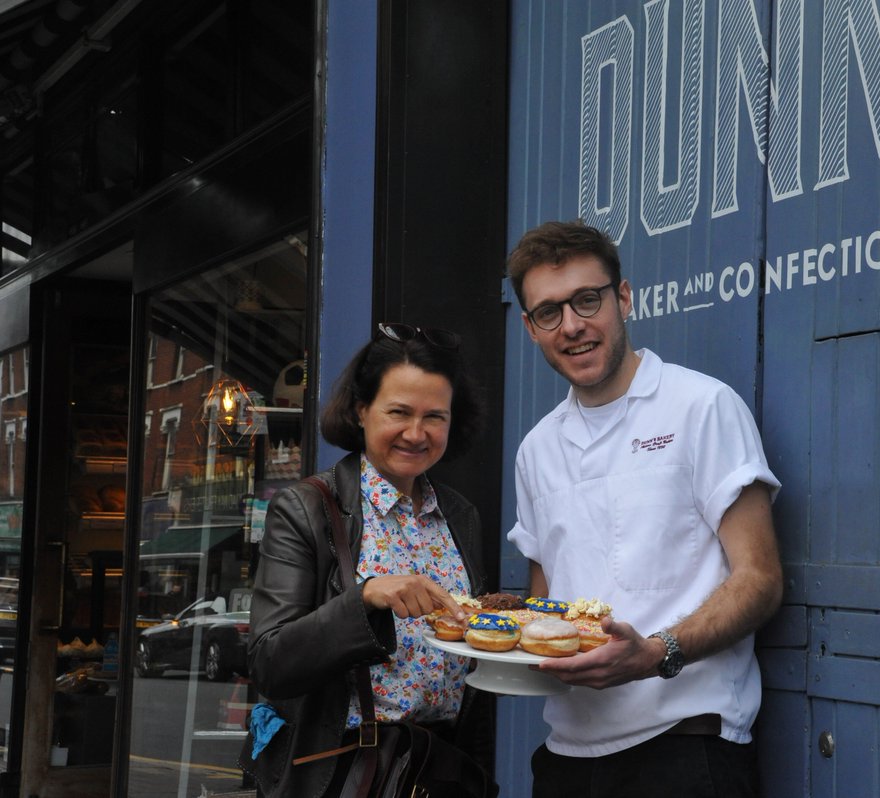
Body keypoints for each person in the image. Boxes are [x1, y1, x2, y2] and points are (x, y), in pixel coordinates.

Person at [506, 220, 784, 797]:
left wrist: (656, 654)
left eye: (587, 299)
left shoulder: (701, 406)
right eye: (549, 312)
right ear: (531, 329)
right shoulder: (536, 449)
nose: (574, 326)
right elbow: (546, 601)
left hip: (685, 746)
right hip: (567, 759)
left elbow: (760, 579)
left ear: (624, 297)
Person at [246, 323, 492, 797]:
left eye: (434, 417)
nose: (416, 433)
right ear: (361, 411)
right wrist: (365, 598)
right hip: (344, 771)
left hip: (436, 770)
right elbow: (269, 661)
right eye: (398, 412)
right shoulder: (307, 507)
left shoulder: (460, 515)